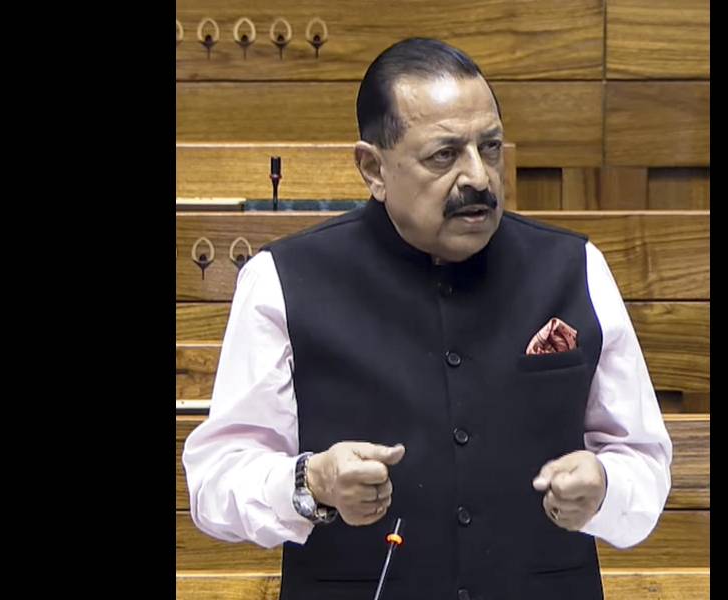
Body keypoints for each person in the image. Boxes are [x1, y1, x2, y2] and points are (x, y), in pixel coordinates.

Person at [183, 37, 672, 600]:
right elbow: (216, 479)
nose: (479, 178)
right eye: (444, 156)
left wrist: (606, 486)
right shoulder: (281, 280)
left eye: (490, 148)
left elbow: (644, 461)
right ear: (373, 168)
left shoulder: (575, 266)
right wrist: (310, 481)